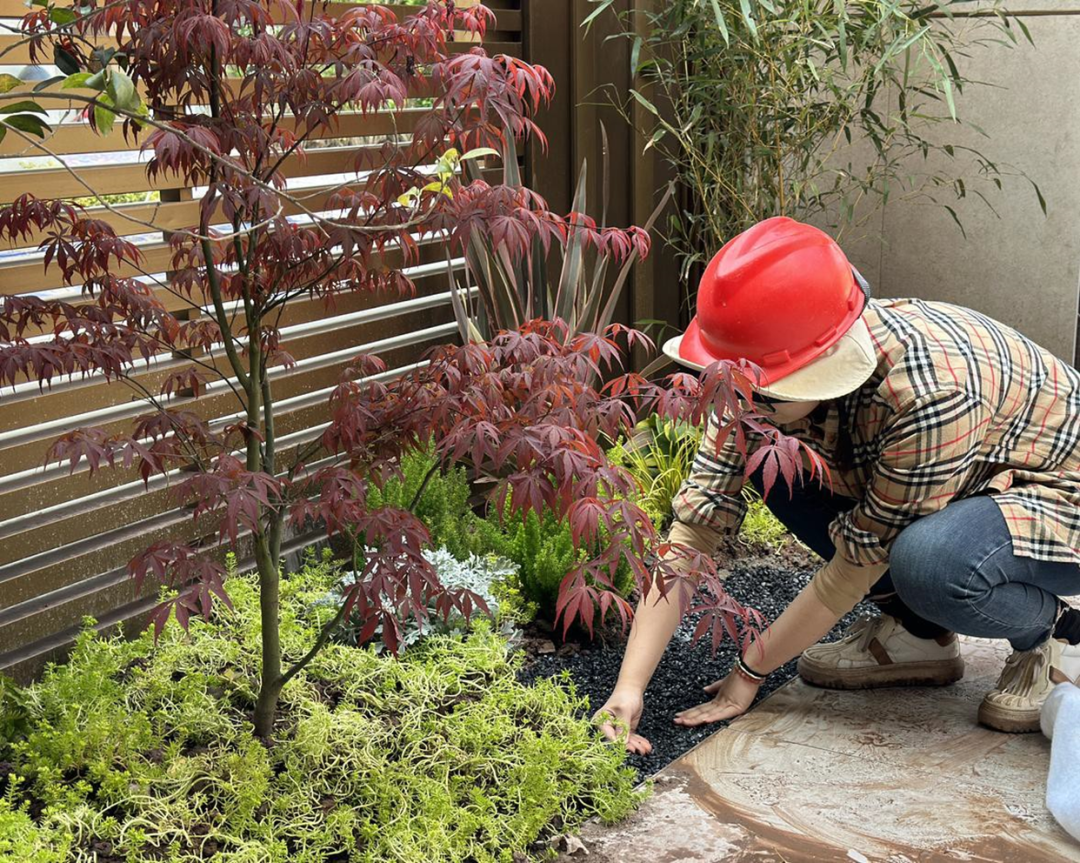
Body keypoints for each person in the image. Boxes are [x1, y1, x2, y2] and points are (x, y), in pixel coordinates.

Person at [594, 216, 1080, 754]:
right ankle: (921, 636)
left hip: (1055, 493)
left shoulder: (928, 392)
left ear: (822, 363)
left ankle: (1048, 634)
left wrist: (749, 670)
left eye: (764, 394)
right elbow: (693, 532)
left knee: (932, 562)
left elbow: (858, 564)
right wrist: (628, 689)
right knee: (776, 464)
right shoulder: (756, 380)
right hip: (964, 478)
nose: (743, 407)